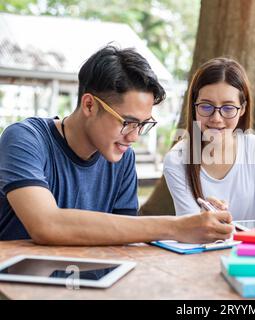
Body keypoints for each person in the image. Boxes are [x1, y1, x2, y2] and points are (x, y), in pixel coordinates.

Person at [0, 45, 233, 245]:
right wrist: (176, 227)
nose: (134, 137)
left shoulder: (122, 158)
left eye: (142, 124)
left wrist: (195, 221)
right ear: (90, 105)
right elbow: (46, 224)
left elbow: (125, 233)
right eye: (128, 122)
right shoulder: (25, 139)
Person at [163, 57, 255, 220]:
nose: (216, 118)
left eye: (228, 108)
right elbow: (189, 230)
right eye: (206, 106)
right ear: (194, 106)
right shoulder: (176, 160)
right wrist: (205, 218)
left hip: (249, 245)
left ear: (242, 109)